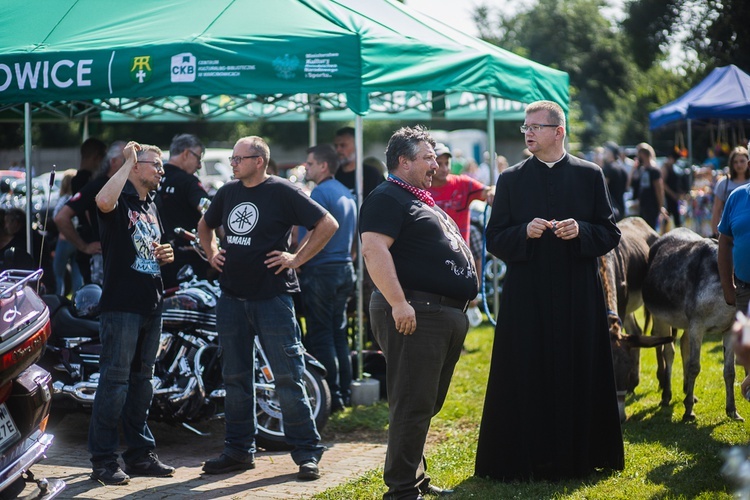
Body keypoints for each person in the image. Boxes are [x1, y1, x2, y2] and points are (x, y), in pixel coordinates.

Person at [475, 100, 624, 482]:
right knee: (527, 367)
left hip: (578, 294)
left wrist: (583, 231)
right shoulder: (510, 179)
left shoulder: (590, 174)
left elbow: (610, 232)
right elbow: (493, 238)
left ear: (558, 132)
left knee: (578, 366)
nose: (527, 133)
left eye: (535, 127)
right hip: (527, 294)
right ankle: (526, 456)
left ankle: (582, 453)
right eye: (525, 127)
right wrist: (523, 231)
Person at [198, 136, 337, 480]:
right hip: (231, 298)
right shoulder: (229, 191)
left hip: (273, 298)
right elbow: (205, 225)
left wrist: (295, 258)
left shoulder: (282, 190)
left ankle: (307, 453)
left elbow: (327, 224)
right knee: (235, 380)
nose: (232, 164)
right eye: (231, 158)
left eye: (237, 158)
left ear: (258, 160)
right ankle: (238, 451)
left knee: (288, 377)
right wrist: (211, 250)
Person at [360, 125, 477, 500]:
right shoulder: (387, 197)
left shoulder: (416, 198)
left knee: (424, 403)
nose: (436, 164)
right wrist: (398, 302)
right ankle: (402, 490)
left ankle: (414, 478)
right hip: (415, 310)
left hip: (435, 312)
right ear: (403, 161)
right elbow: (374, 250)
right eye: (427, 157)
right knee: (412, 403)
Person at [88, 141, 175, 485]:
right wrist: (127, 160)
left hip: (151, 304)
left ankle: (139, 454)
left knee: (142, 384)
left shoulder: (151, 204)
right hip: (121, 306)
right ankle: (104, 460)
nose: (161, 170)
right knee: (115, 383)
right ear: (137, 167)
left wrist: (166, 254)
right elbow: (102, 201)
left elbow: (154, 249)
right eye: (155, 164)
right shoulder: (118, 199)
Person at [299, 144, 357, 413]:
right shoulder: (346, 192)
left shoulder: (320, 192)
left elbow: (310, 233)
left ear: (323, 166)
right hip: (345, 269)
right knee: (338, 334)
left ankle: (331, 396)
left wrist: (296, 259)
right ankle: (344, 392)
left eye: (310, 164)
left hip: (322, 270)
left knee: (321, 335)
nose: (306, 168)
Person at [55, 141, 126, 284]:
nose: (133, 165)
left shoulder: (123, 186)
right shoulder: (97, 185)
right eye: (128, 160)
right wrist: (84, 246)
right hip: (99, 260)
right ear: (113, 161)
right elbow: (61, 217)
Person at [157, 133, 211, 288]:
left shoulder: (152, 178)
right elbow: (208, 209)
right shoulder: (188, 182)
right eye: (198, 158)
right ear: (186, 153)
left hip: (154, 260)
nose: (199, 165)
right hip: (186, 262)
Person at [52, 169, 83, 295]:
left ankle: (57, 298)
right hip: (78, 239)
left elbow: (56, 216)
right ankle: (78, 300)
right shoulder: (79, 198)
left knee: (57, 274)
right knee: (77, 273)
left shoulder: (64, 199)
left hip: (65, 239)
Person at [333, 126, 384, 199]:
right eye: (336, 146)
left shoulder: (370, 174)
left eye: (343, 145)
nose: (338, 150)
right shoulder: (334, 175)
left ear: (357, 146)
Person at [711, 146, 749, 236]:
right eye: (735, 162)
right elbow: (717, 209)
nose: (739, 165)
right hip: (729, 229)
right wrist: (714, 233)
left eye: (742, 161)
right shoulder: (724, 183)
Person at [629, 142, 665, 230]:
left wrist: (661, 207)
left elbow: (659, 189)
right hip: (643, 206)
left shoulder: (654, 170)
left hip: (652, 206)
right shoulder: (641, 170)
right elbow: (630, 183)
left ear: (643, 154)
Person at [602, 141, 628, 221]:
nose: (604, 154)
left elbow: (601, 188)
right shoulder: (622, 168)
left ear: (611, 153)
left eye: (605, 151)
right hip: (621, 207)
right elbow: (627, 187)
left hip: (610, 210)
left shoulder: (608, 168)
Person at [661, 150, 686, 228]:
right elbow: (663, 184)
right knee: (666, 217)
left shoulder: (672, 168)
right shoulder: (665, 168)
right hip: (667, 197)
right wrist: (672, 194)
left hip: (674, 198)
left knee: (677, 219)